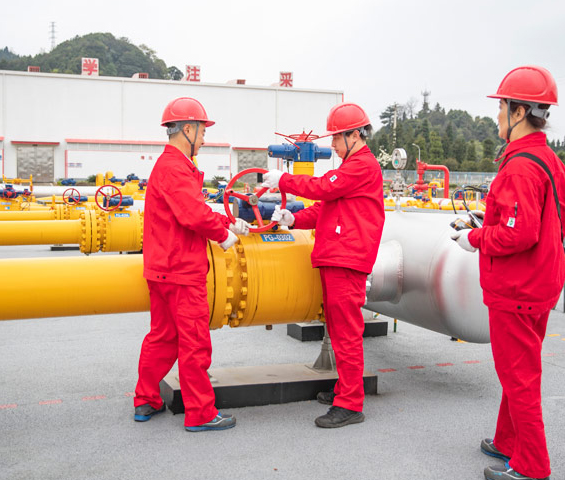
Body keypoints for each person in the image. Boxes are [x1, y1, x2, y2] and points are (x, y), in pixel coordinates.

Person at [450, 66, 565, 480]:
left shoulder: (520, 166)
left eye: (502, 106)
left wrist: (477, 238)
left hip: (518, 286)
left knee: (518, 375)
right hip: (542, 281)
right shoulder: (550, 162)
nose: (497, 114)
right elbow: (553, 219)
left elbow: (519, 234)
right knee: (518, 367)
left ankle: (532, 468)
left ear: (519, 112)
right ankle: (507, 441)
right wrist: (493, 221)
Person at [262, 102, 384, 428]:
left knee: (346, 332)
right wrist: (293, 219)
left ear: (354, 135)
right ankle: (347, 389)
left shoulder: (362, 166)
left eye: (336, 138)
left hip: (347, 258)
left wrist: (283, 181)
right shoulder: (352, 167)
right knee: (341, 329)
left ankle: (350, 403)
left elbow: (323, 188)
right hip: (338, 256)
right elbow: (325, 209)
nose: (332, 145)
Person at [134, 97, 250, 432]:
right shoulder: (175, 166)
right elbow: (191, 213)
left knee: (163, 338)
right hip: (183, 270)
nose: (204, 138)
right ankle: (200, 413)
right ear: (187, 128)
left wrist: (227, 221)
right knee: (194, 342)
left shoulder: (170, 166)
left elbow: (189, 208)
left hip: (162, 268)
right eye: (201, 131)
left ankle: (145, 399)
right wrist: (222, 235)